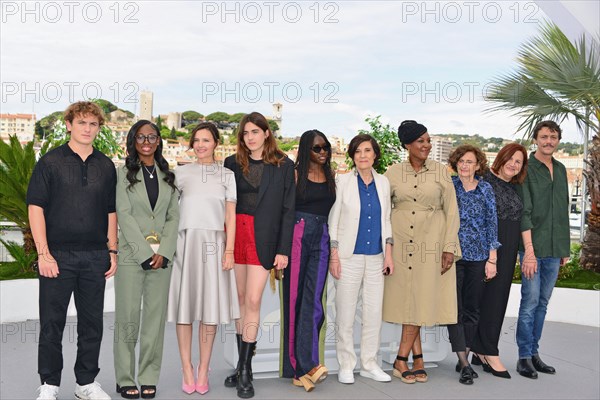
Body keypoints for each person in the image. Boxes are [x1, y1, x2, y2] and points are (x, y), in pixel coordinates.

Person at [27, 101, 117, 400]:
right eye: (82, 123)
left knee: (92, 324)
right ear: (69, 124)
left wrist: (112, 251)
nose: (88, 129)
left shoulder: (105, 165)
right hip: (58, 256)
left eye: (93, 124)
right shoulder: (50, 162)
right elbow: (35, 208)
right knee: (52, 323)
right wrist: (43, 253)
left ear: (98, 128)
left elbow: (111, 211)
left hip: (94, 256)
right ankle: (50, 385)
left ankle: (85, 383)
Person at [223, 112, 295, 399]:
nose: (250, 137)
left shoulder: (283, 165)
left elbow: (289, 209)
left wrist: (283, 250)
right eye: (245, 133)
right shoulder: (231, 163)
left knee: (253, 300)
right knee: (240, 301)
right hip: (235, 234)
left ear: (267, 133)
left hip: (264, 239)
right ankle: (244, 365)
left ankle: (243, 370)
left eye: (255, 131)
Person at [383, 120, 460, 384]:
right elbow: (383, 211)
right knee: (408, 300)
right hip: (402, 243)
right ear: (407, 145)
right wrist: (386, 247)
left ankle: (400, 359)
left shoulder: (441, 172)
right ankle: (418, 358)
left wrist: (449, 247)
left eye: (428, 140)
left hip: (432, 242)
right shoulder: (392, 173)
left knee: (422, 298)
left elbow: (452, 211)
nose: (427, 145)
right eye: (421, 141)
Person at [167, 122, 240, 396]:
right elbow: (170, 213)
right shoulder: (180, 173)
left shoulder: (227, 175)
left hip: (214, 244)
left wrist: (229, 250)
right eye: (196, 140)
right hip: (184, 244)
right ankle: (186, 366)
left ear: (216, 143)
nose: (200, 145)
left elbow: (230, 217)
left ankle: (203, 366)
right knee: (184, 310)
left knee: (209, 310)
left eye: (206, 140)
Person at [113, 120, 180, 399]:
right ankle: (125, 378)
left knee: (154, 320)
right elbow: (123, 214)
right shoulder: (122, 174)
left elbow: (173, 216)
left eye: (152, 136)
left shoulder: (168, 175)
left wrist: (164, 251)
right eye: (141, 137)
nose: (146, 141)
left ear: (158, 141)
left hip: (162, 260)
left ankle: (149, 375)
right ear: (133, 140)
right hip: (131, 257)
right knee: (128, 319)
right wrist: (144, 253)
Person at [328, 134, 394, 385]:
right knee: (345, 313)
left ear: (375, 154)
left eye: (367, 150)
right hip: (348, 257)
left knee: (373, 314)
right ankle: (346, 364)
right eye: (358, 151)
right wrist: (334, 255)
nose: (363, 155)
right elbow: (333, 221)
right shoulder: (342, 181)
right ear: (352, 156)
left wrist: (388, 253)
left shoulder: (384, 183)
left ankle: (369, 364)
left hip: (377, 258)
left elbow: (386, 219)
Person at [279, 130, 336, 392]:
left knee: (314, 302)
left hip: (321, 237)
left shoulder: (330, 175)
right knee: (294, 301)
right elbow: (283, 210)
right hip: (298, 235)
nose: (323, 152)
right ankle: (299, 367)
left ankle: (308, 363)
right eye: (317, 148)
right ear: (306, 149)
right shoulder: (293, 173)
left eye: (325, 147)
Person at [516, 121, 569, 379]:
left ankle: (535, 353)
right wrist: (528, 252)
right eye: (544, 136)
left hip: (554, 249)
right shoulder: (526, 170)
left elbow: (562, 211)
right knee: (530, 302)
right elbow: (523, 213)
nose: (549, 141)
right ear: (536, 139)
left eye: (554, 137)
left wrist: (564, 248)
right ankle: (523, 357)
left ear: (558, 140)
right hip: (532, 249)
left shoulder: (560, 169)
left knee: (543, 303)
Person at [471, 143, 528, 378]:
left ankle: (480, 350)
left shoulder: (515, 186)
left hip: (509, 247)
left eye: (519, 162)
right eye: (511, 159)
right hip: (487, 247)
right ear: (502, 157)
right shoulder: (483, 179)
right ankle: (487, 351)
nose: (513, 165)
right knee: (482, 298)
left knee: (497, 297)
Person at [446, 145, 501, 384]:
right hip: (454, 256)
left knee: (472, 308)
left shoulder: (485, 189)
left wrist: (492, 258)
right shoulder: (450, 187)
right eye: (461, 161)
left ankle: (464, 358)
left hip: (479, 257)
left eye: (470, 161)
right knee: (454, 309)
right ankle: (465, 363)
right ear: (456, 163)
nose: (465, 165)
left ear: (478, 165)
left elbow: (492, 223)